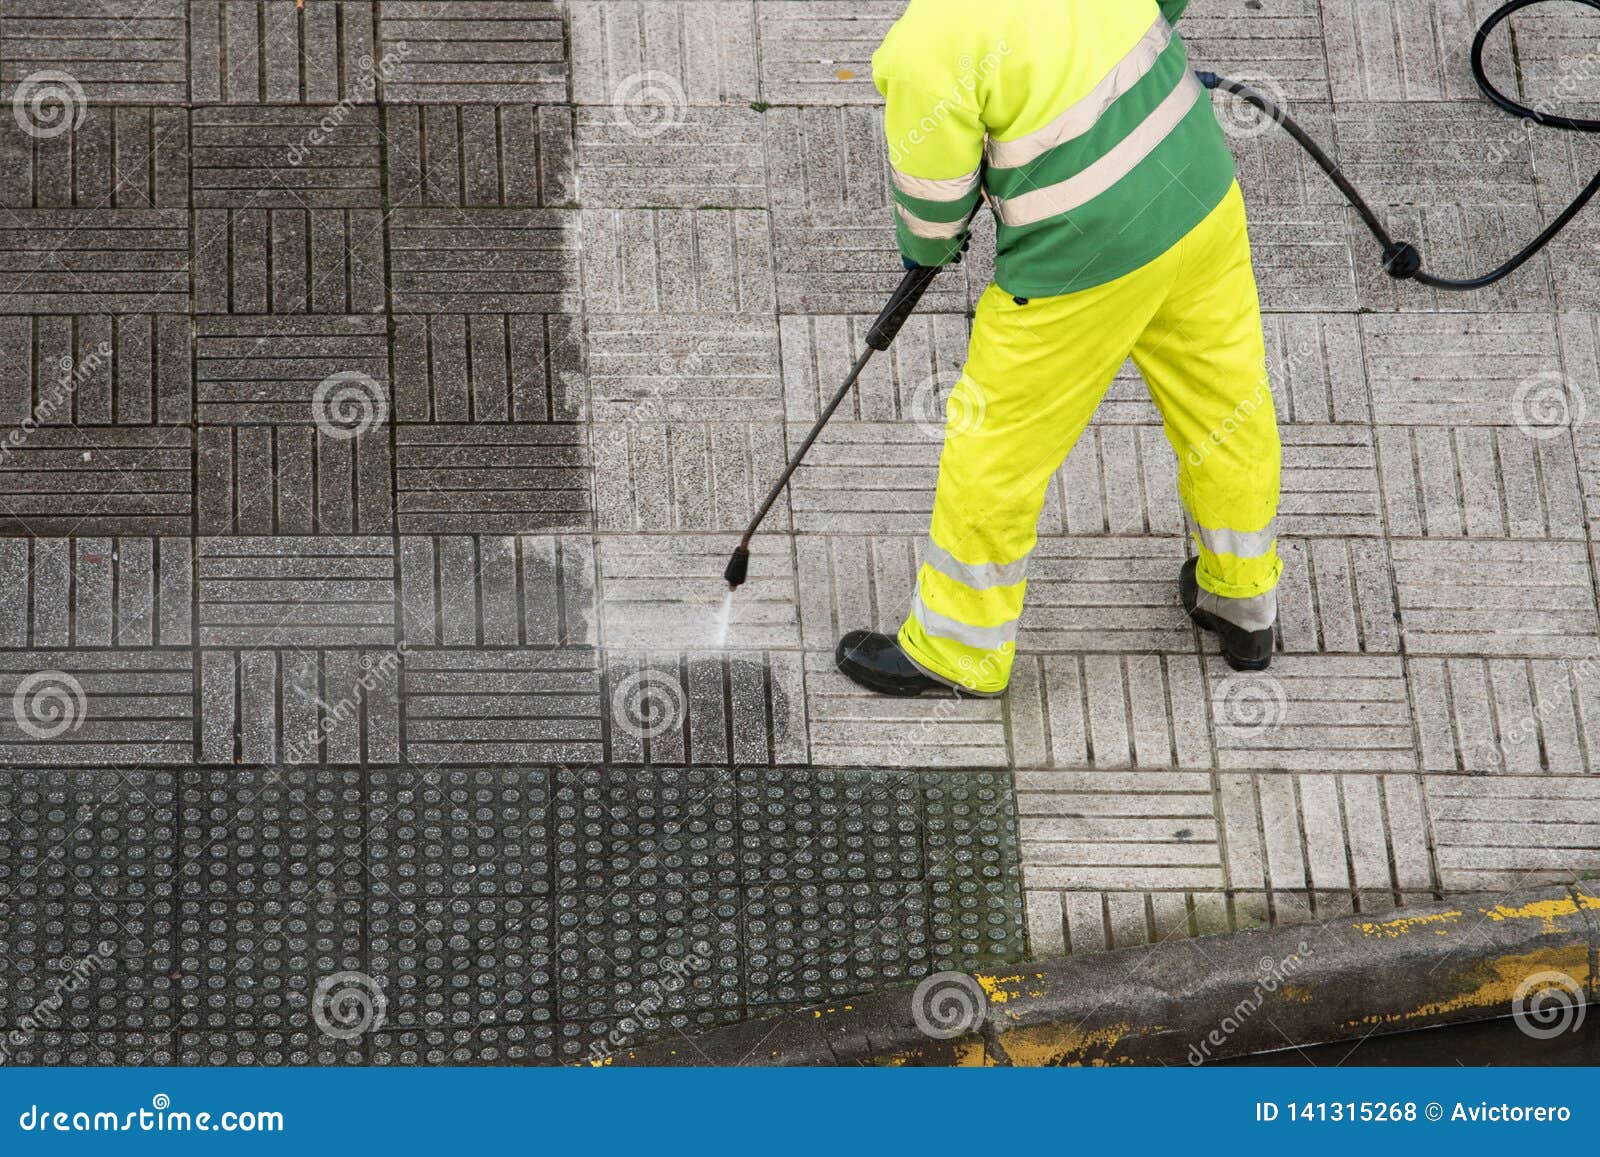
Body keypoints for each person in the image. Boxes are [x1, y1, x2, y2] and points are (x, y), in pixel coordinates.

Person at [836, 0, 1282, 698]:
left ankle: (958, 647)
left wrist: (932, 247)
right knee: (1228, 406)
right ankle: (1242, 598)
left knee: (996, 445)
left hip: (1081, 256)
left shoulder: (928, 41)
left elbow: (933, 209)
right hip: (1198, 191)